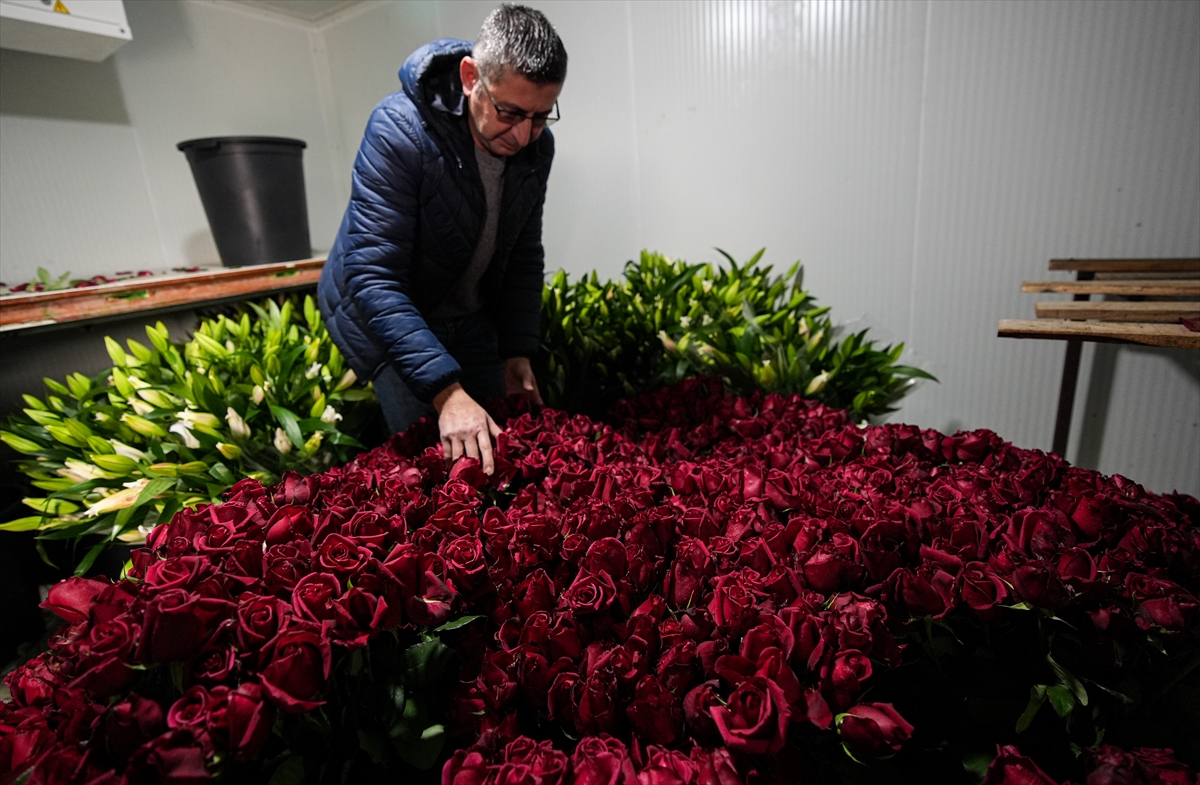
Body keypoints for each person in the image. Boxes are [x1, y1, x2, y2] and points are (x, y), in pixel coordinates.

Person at [317, 5, 567, 476]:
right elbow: (373, 274)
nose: (522, 136)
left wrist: (517, 350)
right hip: (398, 316)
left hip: (470, 317)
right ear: (471, 78)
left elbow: (522, 252)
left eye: (540, 116)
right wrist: (446, 393)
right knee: (431, 467)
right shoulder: (399, 131)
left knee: (495, 458)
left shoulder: (538, 148)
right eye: (510, 112)